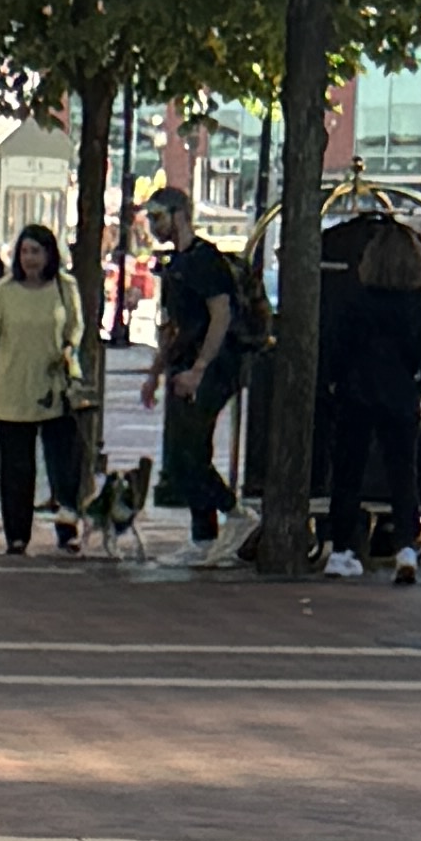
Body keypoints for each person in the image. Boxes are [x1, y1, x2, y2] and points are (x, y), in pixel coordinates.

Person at [316, 211, 421, 582]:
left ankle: (342, 550)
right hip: (400, 395)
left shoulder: (354, 302)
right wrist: (415, 387)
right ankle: (406, 547)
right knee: (403, 475)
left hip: (356, 392)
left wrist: (337, 383)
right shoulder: (419, 306)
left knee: (347, 474)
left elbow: (337, 349)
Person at [143, 185, 246, 564]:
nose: (153, 226)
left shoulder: (205, 260)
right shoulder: (178, 265)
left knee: (188, 453)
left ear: (180, 215)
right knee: (186, 452)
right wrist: (155, 372)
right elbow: (172, 326)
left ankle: (235, 515)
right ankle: (205, 538)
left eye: (158, 217)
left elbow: (221, 315)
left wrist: (200, 369)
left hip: (212, 368)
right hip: (186, 366)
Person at [0, 219, 90, 553]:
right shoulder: (6, 290)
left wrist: (67, 352)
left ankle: (67, 531)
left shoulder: (64, 287)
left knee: (63, 466)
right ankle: (17, 535)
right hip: (12, 389)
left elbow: (75, 328)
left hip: (54, 388)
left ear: (49, 254)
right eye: (24, 252)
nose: (29, 259)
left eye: (35, 252)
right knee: (15, 468)